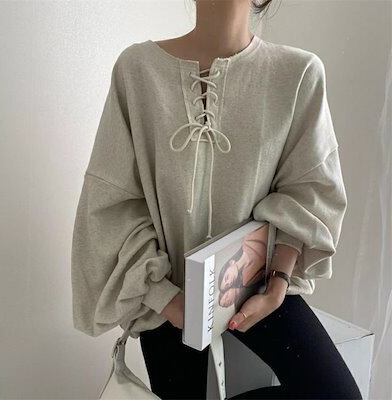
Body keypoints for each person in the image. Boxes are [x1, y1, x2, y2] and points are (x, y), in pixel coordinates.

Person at [71, 0, 362, 398]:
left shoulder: (297, 74)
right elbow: (112, 202)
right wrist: (165, 298)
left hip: (258, 282)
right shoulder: (137, 70)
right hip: (168, 295)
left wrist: (278, 282)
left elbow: (308, 190)